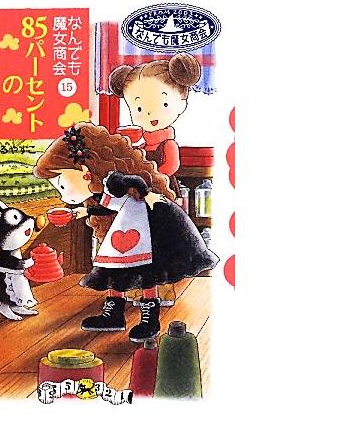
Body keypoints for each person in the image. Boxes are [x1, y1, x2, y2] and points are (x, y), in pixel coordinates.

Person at [33, 123, 218, 343]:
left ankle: (149, 320)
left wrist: (147, 194)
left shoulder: (115, 181)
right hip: (121, 236)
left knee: (147, 274)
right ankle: (114, 314)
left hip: (143, 237)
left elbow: (136, 184)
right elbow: (109, 206)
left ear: (84, 172)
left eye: (62, 186)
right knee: (113, 272)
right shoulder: (106, 190)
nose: (63, 196)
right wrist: (82, 212)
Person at [109, 53, 201, 196]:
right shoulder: (142, 146)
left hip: (163, 189)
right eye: (139, 108)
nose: (150, 114)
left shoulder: (168, 144)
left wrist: (150, 177)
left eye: (164, 104)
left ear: (181, 104)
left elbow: (171, 166)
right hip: (143, 190)